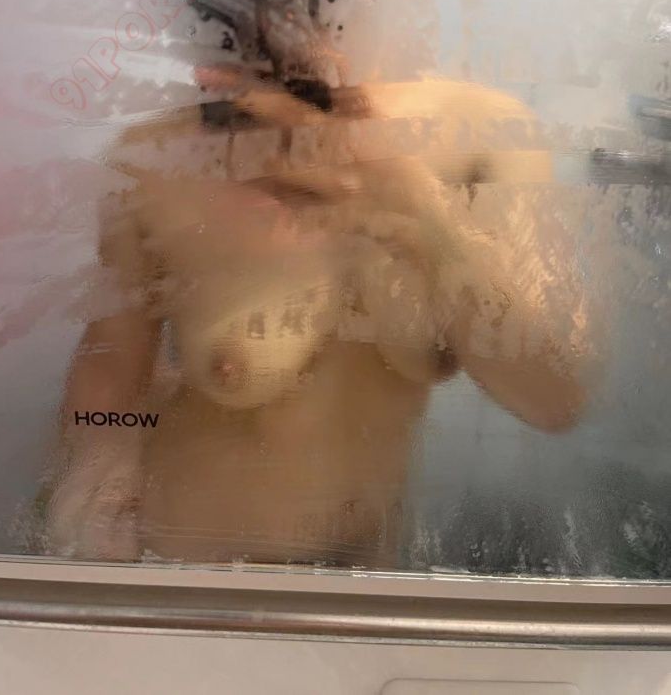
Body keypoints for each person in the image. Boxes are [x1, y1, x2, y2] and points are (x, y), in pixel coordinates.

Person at [44, 69, 590, 567]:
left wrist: (409, 197)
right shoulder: (161, 156)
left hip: (363, 582)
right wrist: (101, 479)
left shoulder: (483, 131)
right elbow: (113, 372)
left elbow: (554, 397)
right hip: (192, 569)